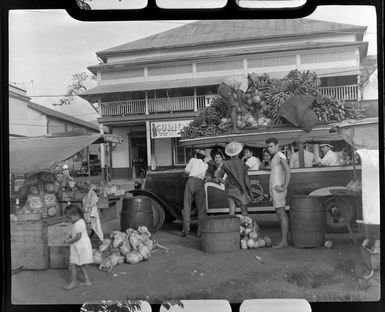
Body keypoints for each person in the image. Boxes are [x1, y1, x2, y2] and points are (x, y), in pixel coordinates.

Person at [265, 137, 291, 249]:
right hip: (275, 190)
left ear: (277, 145)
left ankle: (284, 242)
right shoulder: (275, 157)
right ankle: (283, 240)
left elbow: (288, 170)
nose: (269, 149)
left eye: (271, 146)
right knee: (281, 214)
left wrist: (284, 186)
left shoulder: (280, 155)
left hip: (278, 189)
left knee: (281, 214)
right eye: (267, 147)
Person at [218, 141, 253, 216]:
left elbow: (219, 176)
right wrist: (250, 192)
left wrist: (226, 183)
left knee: (232, 211)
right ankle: (244, 227)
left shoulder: (225, 164)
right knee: (244, 212)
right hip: (240, 190)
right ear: (238, 152)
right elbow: (246, 179)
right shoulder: (242, 163)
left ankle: (231, 227)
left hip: (230, 190)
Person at [63, 204, 93, 290]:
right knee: (81, 264)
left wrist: (69, 241)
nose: (70, 220)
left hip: (79, 246)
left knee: (73, 264)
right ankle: (87, 281)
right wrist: (69, 235)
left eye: (70, 218)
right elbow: (75, 232)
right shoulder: (80, 221)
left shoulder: (78, 224)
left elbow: (78, 237)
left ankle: (73, 282)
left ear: (76, 215)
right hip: (80, 246)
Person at [182, 149, 208, 237]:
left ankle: (186, 229)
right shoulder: (206, 165)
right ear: (204, 158)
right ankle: (199, 231)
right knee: (201, 207)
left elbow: (185, 172)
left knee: (187, 205)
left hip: (191, 181)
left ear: (196, 155)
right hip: (200, 183)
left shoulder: (192, 160)